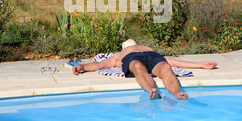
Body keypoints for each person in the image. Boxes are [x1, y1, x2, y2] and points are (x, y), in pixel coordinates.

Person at [72, 39, 217, 100]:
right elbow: (100, 65)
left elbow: (172, 62)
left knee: (165, 67)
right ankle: (152, 91)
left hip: (151, 56)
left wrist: (200, 64)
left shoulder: (145, 48)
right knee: (136, 66)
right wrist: (82, 66)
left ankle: (178, 93)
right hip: (132, 58)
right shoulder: (118, 56)